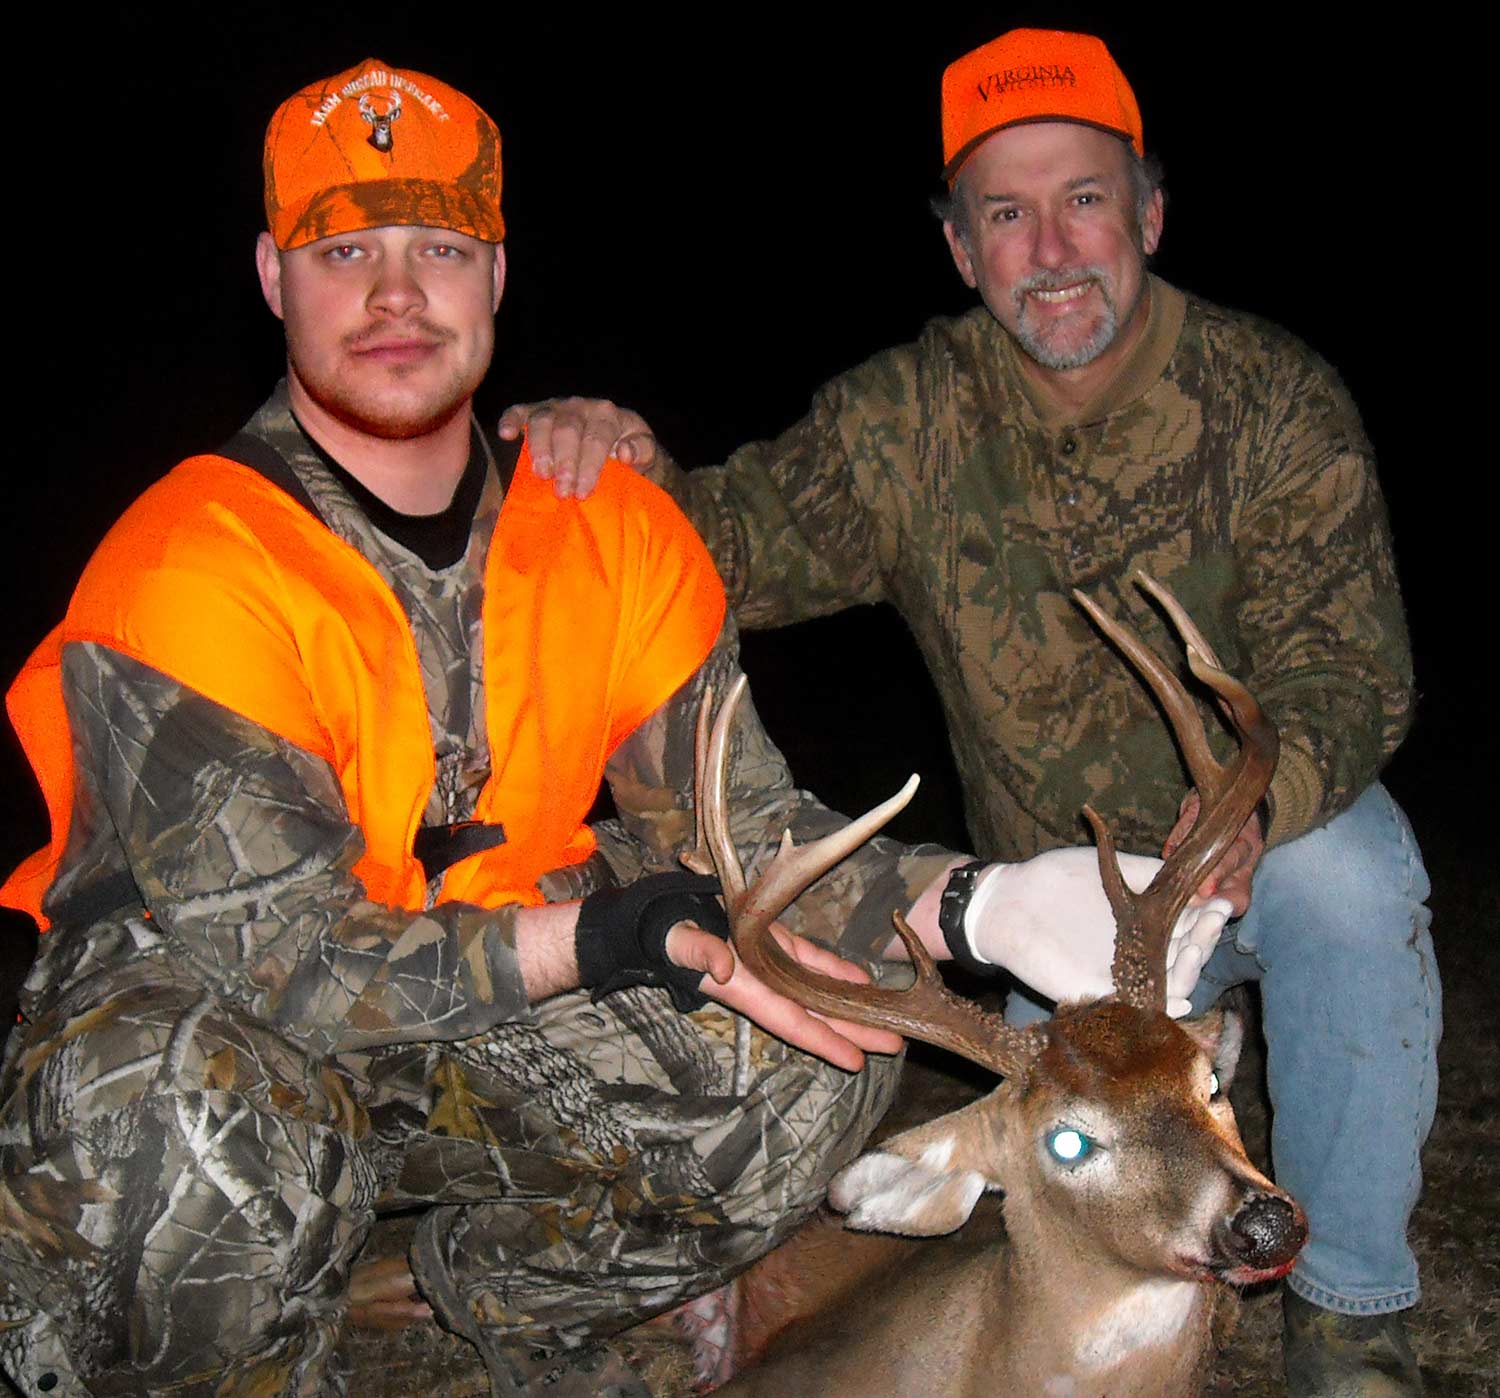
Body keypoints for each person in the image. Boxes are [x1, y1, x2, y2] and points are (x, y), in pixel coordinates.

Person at [0, 56, 1220, 1398]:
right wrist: (611, 931)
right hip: (206, 1031)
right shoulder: (191, 565)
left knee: (819, 1044)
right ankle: (168, 1316)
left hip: (477, 998)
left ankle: (488, 1295)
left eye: (440, 247)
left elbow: (750, 831)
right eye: (344, 248)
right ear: (272, 276)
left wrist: (972, 903)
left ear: (498, 274)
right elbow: (291, 969)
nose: (397, 294)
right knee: (219, 1122)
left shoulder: (612, 528)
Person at [506, 27, 1440, 1397]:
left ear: (1151, 213)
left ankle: (1353, 1321)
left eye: (1085, 199)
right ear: (961, 248)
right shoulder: (911, 420)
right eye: (1006, 213)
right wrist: (625, 474)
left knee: (1361, 882)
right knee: (1049, 1194)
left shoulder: (1273, 401)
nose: (1051, 246)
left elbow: (1354, 665)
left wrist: (1259, 807)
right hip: (1052, 921)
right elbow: (733, 538)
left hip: (1250, 868)